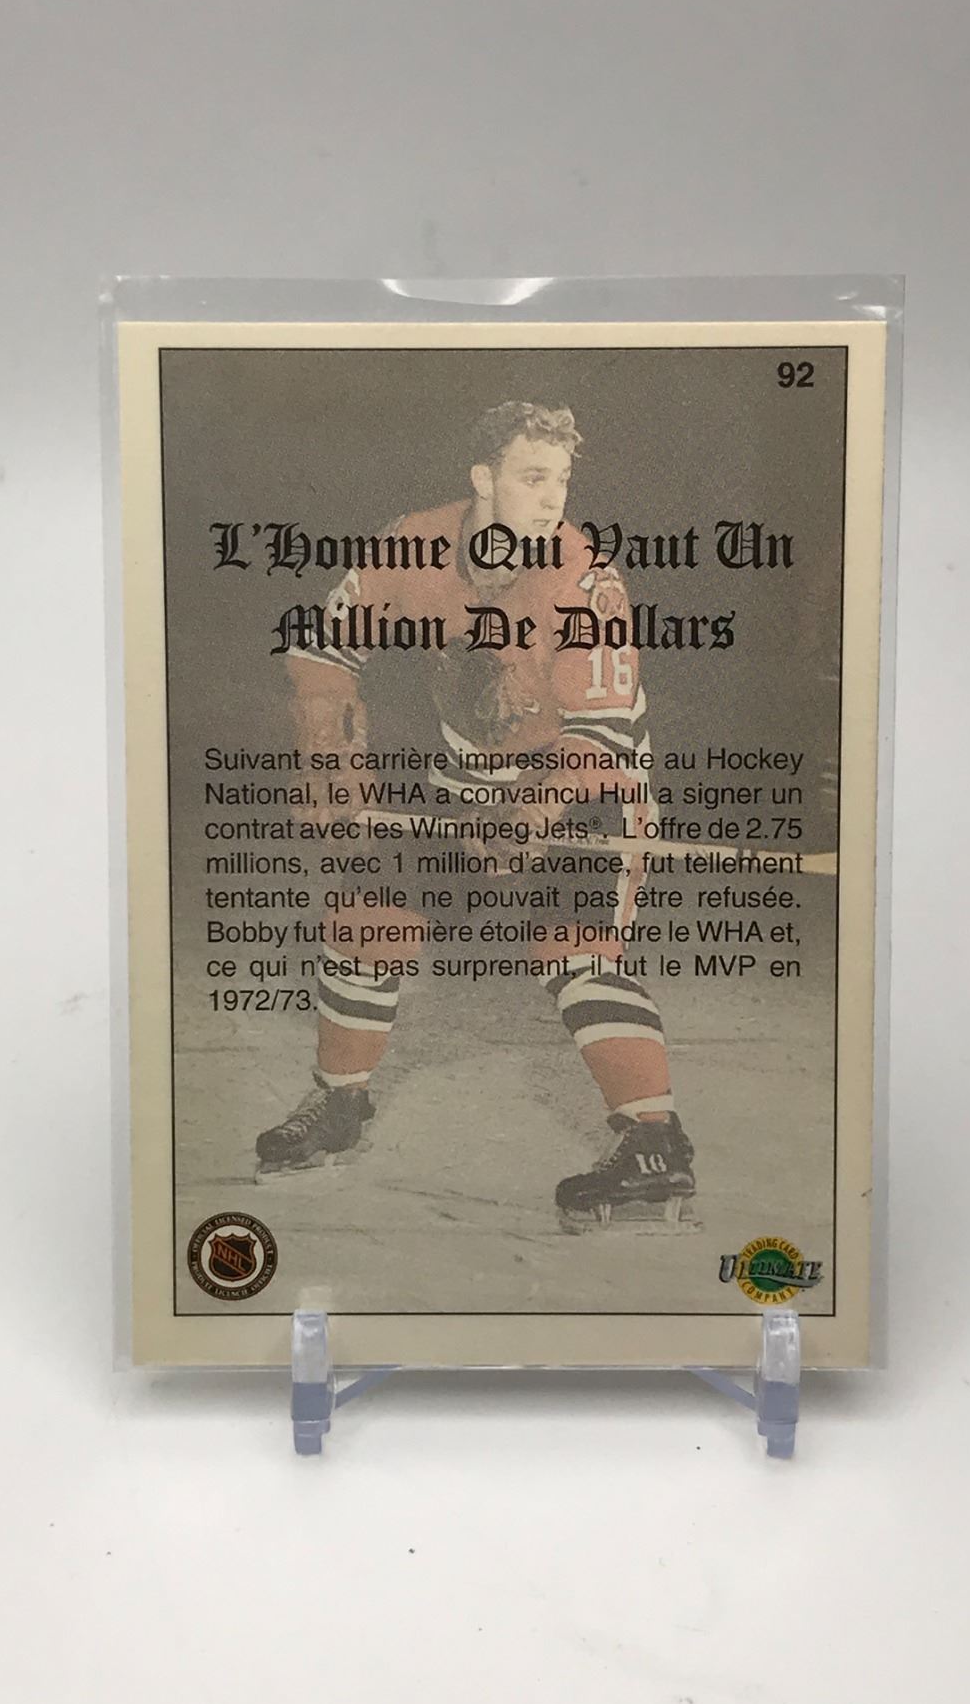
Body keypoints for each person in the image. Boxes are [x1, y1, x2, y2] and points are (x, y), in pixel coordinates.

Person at [255, 401, 695, 1231]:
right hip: (466, 779)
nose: (552, 497)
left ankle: (653, 1144)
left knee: (574, 951)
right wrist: (328, 748)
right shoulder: (414, 540)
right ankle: (340, 1103)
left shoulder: (587, 579)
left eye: (561, 479)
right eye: (533, 477)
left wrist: (533, 811)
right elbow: (322, 647)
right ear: (483, 478)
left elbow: (600, 735)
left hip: (587, 786)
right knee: (366, 920)